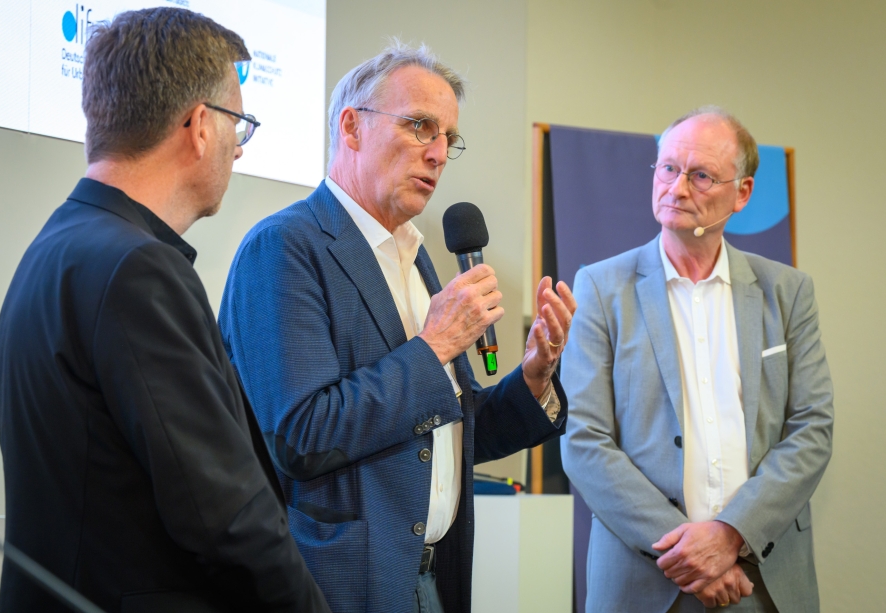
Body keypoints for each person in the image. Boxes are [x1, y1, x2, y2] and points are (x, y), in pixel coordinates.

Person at [218, 41, 576, 613]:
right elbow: (302, 434)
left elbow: (440, 431)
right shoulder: (285, 247)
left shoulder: (415, 258)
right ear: (353, 127)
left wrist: (534, 377)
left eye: (448, 139)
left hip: (431, 580)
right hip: (333, 587)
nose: (438, 153)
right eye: (419, 127)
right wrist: (434, 346)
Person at [0, 8, 330, 612]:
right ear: (200, 125)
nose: (239, 150)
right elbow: (226, 517)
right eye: (240, 124)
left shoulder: (58, 246)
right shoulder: (137, 270)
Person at [560, 106, 834, 612]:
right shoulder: (601, 287)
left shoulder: (788, 292)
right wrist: (689, 552)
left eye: (701, 175)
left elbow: (812, 428)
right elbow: (584, 440)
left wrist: (730, 535)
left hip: (762, 577)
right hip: (646, 576)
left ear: (743, 193)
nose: (677, 188)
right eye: (668, 168)